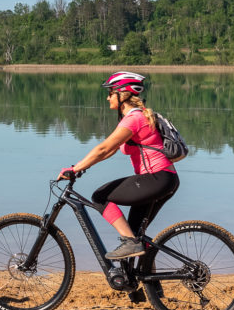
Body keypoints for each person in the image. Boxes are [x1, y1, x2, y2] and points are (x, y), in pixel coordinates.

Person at [59, 71, 180, 260]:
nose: (107, 98)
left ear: (122, 94)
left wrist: (74, 169)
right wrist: (83, 166)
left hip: (156, 179)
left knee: (99, 197)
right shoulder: (137, 117)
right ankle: (142, 286)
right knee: (135, 236)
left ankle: (131, 243)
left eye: (110, 93)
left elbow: (104, 148)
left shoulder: (134, 119)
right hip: (164, 179)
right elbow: (109, 151)